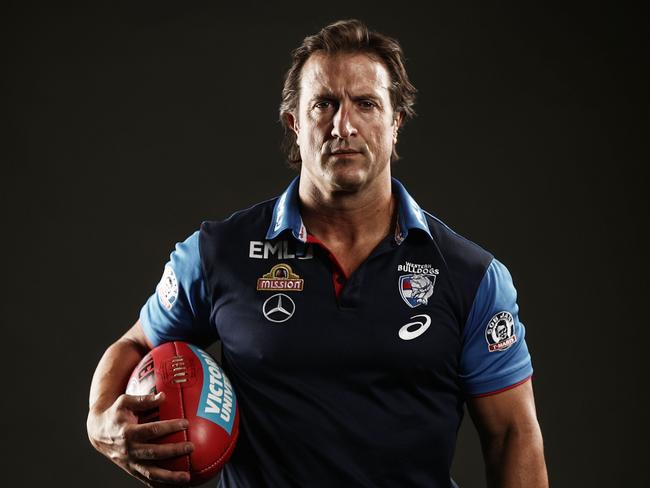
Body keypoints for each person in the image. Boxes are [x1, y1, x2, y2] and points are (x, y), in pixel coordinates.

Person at [87, 19, 548, 488]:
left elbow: (513, 434)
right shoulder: (218, 253)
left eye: (365, 104)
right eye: (323, 104)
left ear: (395, 123)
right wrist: (99, 418)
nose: (342, 125)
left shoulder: (470, 276)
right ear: (295, 123)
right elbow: (136, 345)